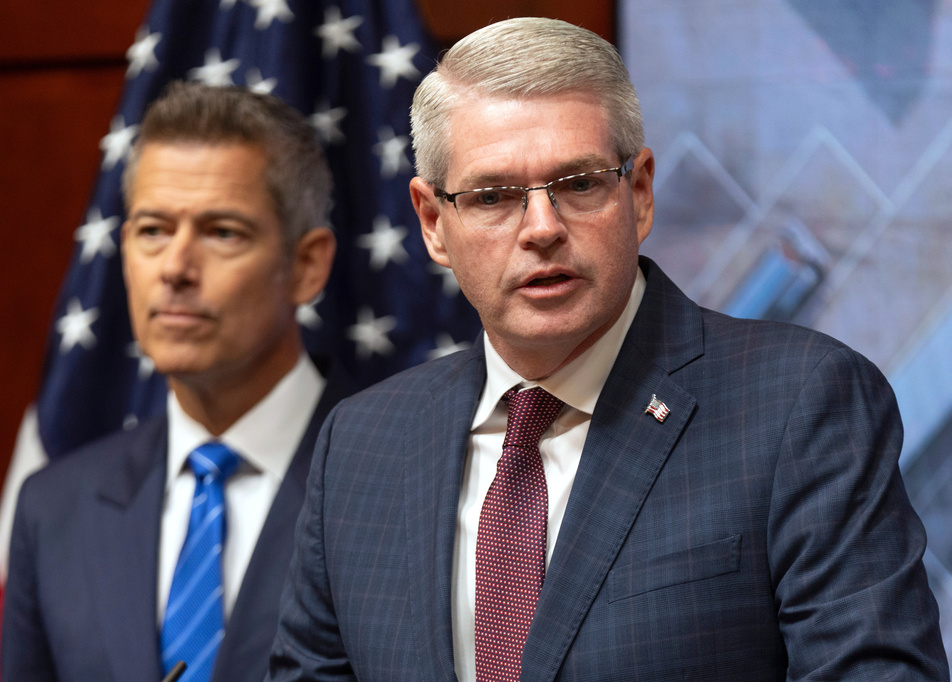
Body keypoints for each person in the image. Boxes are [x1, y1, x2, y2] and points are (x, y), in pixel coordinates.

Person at [269, 17, 949, 681]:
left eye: (579, 184)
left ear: (641, 193)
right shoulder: (361, 446)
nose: (542, 228)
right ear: (432, 223)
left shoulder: (802, 403)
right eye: (494, 196)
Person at [0, 82, 350, 682]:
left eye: (222, 232)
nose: (176, 269)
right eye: (153, 230)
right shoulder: (54, 507)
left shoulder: (401, 481)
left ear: (307, 264)